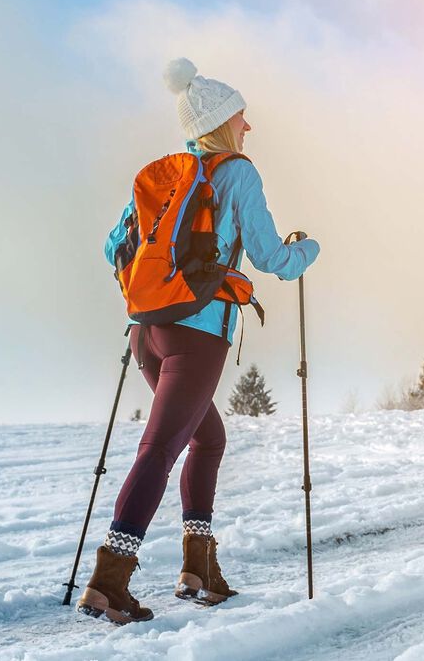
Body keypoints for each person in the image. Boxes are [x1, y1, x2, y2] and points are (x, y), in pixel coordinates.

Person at [76, 58, 320, 624]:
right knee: (159, 450)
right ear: (222, 122)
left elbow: (115, 244)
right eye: (242, 117)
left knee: (207, 439)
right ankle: (109, 582)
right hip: (198, 334)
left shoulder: (170, 177)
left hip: (147, 332)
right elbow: (272, 259)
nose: (248, 127)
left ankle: (198, 568)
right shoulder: (238, 173)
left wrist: (152, 294)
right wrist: (308, 251)